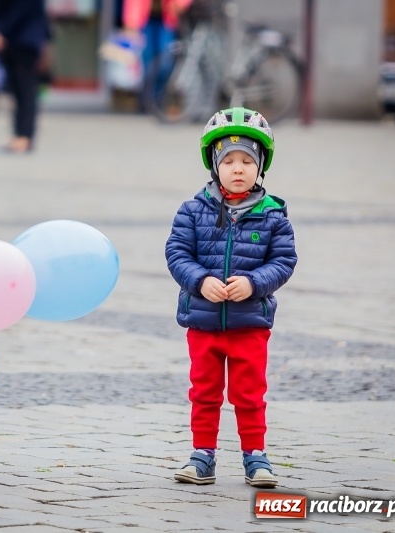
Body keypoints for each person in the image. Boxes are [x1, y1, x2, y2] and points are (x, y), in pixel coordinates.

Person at [164, 107, 297, 488]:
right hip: (203, 321)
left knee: (249, 393)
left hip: (249, 322)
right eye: (229, 161)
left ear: (260, 167)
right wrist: (200, 280)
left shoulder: (273, 216)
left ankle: (255, 456)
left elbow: (284, 260)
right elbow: (177, 253)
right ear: (214, 165)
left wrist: (254, 283)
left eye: (247, 162)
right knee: (204, 392)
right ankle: (202, 455)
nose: (238, 169)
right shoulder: (192, 211)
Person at [0, 0, 51, 153]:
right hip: (14, 40)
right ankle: (19, 134)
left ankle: (25, 136)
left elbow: (21, 9)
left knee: (26, 91)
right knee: (17, 91)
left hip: (26, 40)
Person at [122, 0, 191, 111]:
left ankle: (157, 98)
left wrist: (179, 4)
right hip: (145, 20)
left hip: (167, 19)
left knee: (166, 61)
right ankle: (147, 99)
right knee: (147, 60)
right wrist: (130, 21)